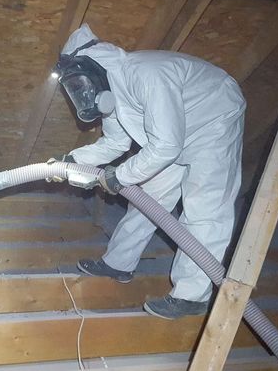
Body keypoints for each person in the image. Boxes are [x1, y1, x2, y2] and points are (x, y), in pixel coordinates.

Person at [49, 23, 246, 319]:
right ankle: (119, 264)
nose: (82, 93)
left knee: (204, 208)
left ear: (94, 68)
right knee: (148, 201)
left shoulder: (145, 75)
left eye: (80, 84)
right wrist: (70, 159)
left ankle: (192, 296)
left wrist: (119, 176)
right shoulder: (112, 92)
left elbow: (166, 146)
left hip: (213, 118)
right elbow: (114, 143)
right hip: (172, 138)